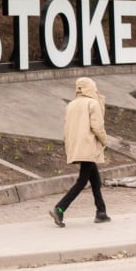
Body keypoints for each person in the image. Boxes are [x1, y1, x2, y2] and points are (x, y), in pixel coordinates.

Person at [49, 76, 111, 227]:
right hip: (88, 145)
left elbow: (66, 127)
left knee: (95, 179)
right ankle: (60, 208)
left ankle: (101, 212)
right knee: (82, 180)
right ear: (92, 87)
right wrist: (105, 141)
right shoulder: (92, 103)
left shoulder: (71, 105)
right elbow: (97, 127)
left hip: (76, 145)